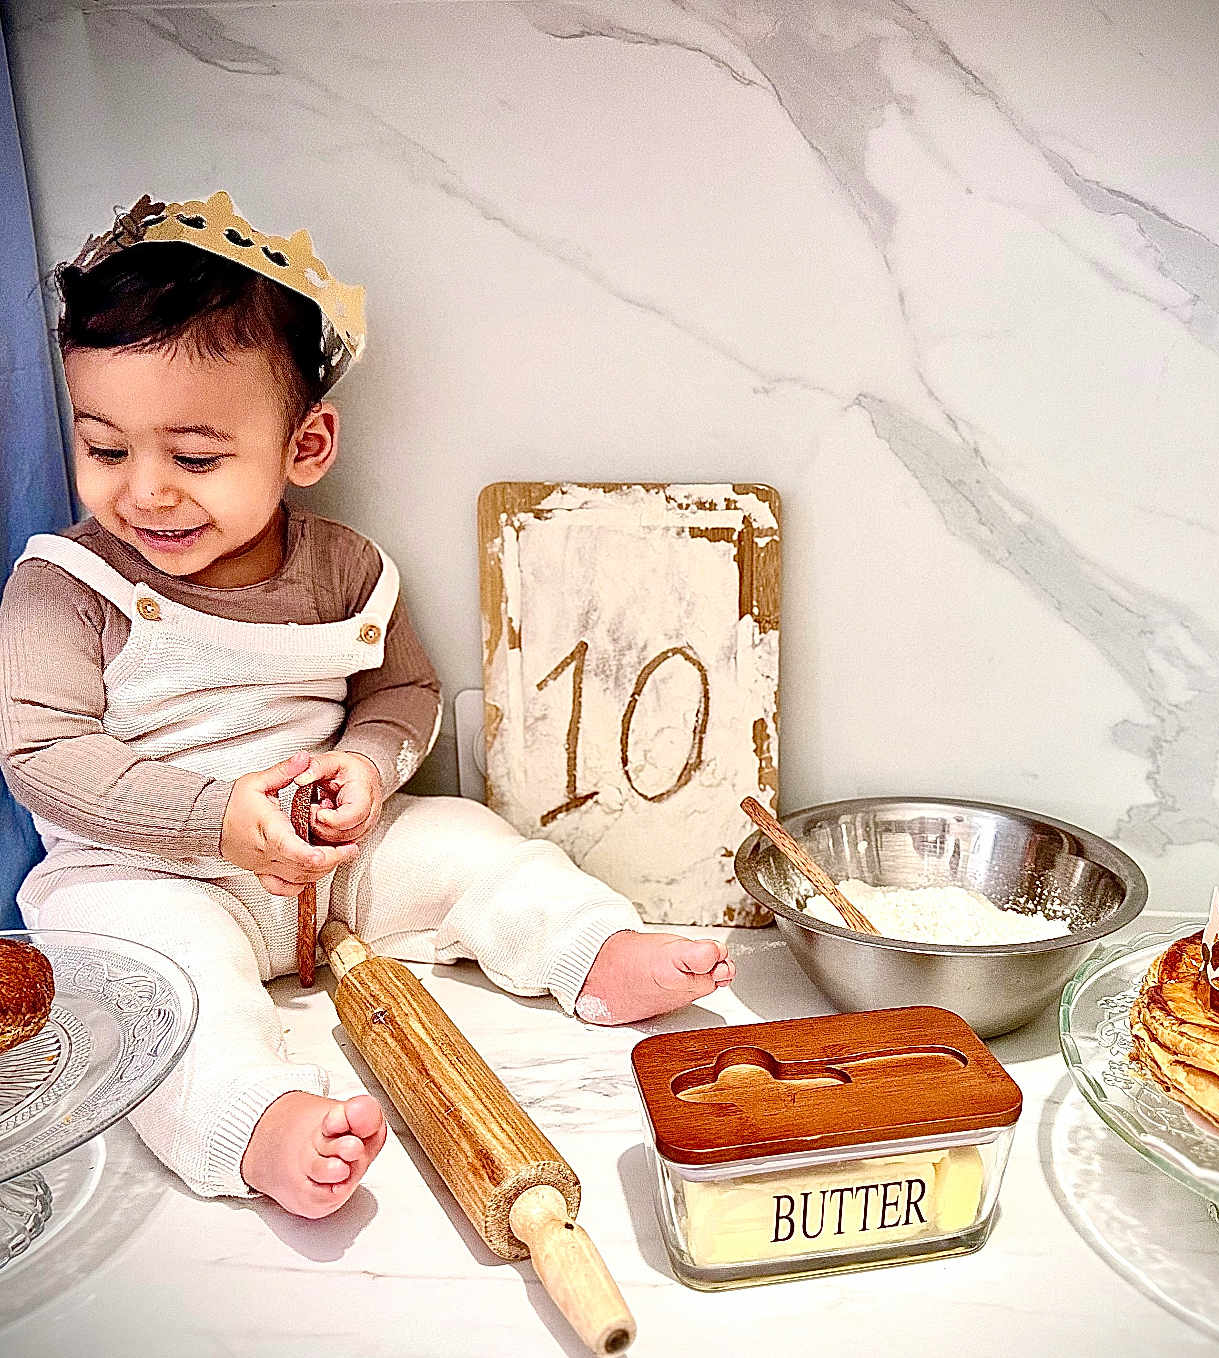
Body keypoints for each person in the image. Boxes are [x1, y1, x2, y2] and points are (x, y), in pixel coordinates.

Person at [0, 193, 734, 1219]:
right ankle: (255, 1126)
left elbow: (402, 690)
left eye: (196, 457)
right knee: (160, 998)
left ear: (305, 446)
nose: (147, 493)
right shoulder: (65, 586)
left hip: (326, 868)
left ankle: (589, 950)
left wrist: (373, 766)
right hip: (144, 874)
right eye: (107, 450)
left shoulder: (343, 568)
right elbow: (41, 755)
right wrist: (212, 820)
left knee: (469, 840)